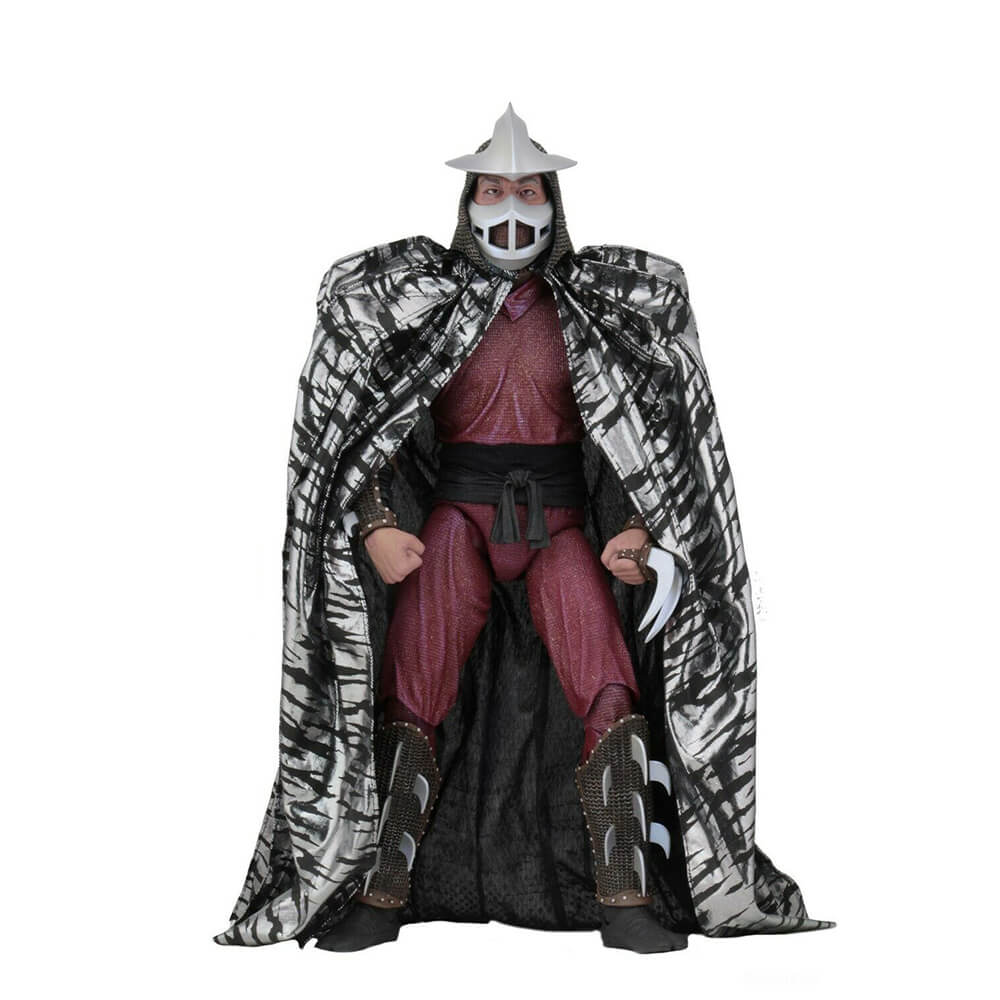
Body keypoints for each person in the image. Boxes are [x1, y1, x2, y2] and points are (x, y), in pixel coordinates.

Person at [214, 105, 832, 955]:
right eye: (494, 189)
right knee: (412, 684)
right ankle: (381, 896)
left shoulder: (595, 310)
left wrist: (640, 527)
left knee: (608, 687)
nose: (511, 206)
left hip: (561, 526)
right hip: (455, 523)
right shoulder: (427, 307)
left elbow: (648, 430)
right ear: (468, 201)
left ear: (554, 202)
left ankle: (625, 900)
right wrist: (376, 522)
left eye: (530, 189)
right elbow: (362, 426)